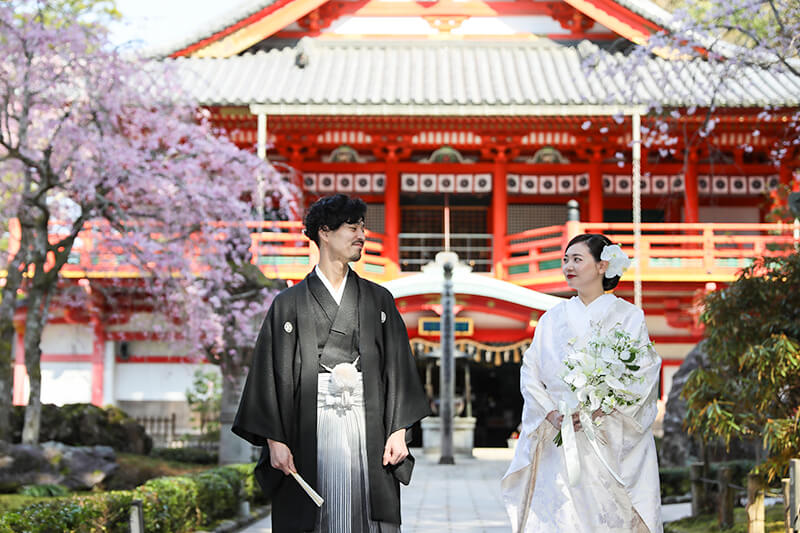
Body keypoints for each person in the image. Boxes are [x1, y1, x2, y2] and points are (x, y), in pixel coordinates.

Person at [233, 194, 431, 532]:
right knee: (312, 515)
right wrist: (274, 440)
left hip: (368, 426)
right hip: (308, 428)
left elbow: (397, 368)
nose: (361, 235)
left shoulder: (377, 299)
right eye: (352, 227)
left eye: (362, 228)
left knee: (366, 515)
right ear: (324, 232)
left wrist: (399, 430)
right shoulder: (288, 304)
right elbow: (269, 375)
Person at [501, 233, 663, 533]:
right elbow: (530, 370)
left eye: (577, 259)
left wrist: (602, 407)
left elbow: (644, 370)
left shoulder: (628, 316)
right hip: (560, 431)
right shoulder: (552, 318)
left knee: (609, 512)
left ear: (603, 266)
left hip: (611, 432)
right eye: (565, 260)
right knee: (562, 513)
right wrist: (551, 412)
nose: (568, 266)